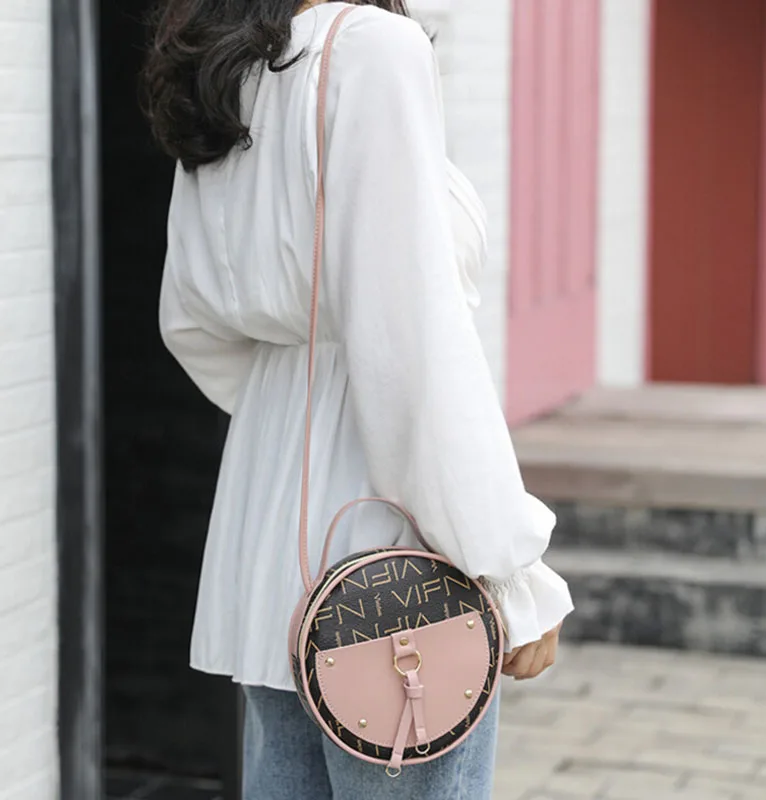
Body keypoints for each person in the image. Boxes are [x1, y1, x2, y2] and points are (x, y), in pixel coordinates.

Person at [142, 1, 573, 797]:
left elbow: (190, 322)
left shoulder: (222, 64)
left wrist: (294, 404)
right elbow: (410, 343)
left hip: (267, 516)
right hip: (388, 535)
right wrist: (511, 575)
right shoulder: (375, 50)